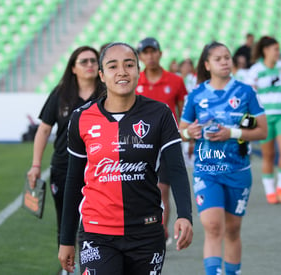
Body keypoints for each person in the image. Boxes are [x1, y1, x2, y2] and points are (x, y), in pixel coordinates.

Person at [58, 42, 193, 274]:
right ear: (101, 75)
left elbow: (177, 169)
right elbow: (73, 181)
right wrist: (66, 239)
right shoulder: (82, 118)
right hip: (97, 233)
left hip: (147, 231)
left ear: (138, 70)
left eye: (129, 65)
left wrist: (185, 215)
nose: (122, 71)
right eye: (113, 66)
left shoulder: (160, 114)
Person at [179, 41, 267, 275]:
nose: (225, 61)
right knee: (213, 227)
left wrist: (233, 133)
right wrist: (190, 133)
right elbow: (182, 131)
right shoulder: (196, 94)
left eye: (227, 57)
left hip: (238, 171)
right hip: (207, 171)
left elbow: (262, 131)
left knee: (232, 230)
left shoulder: (246, 92)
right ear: (207, 65)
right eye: (218, 58)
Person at [26, 46, 105, 255]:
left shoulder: (106, 93)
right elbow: (43, 130)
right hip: (63, 166)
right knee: (65, 219)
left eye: (93, 61)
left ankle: (93, 263)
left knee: (96, 223)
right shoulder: (61, 93)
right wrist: (35, 165)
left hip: (98, 168)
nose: (90, 65)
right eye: (84, 61)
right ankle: (68, 266)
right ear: (73, 68)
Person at [135, 37, 189, 245]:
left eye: (153, 51)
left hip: (166, 145)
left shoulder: (175, 81)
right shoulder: (135, 81)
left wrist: (189, 139)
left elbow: (184, 112)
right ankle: (145, 229)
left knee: (162, 191)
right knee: (141, 191)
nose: (150, 56)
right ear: (140, 57)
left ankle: (160, 232)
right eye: (145, 53)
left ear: (160, 53)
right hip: (139, 145)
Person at [245, 36, 281, 204]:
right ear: (266, 50)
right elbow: (249, 94)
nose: (278, 52)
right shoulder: (255, 70)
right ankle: (270, 190)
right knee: (268, 155)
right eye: (275, 49)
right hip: (265, 118)